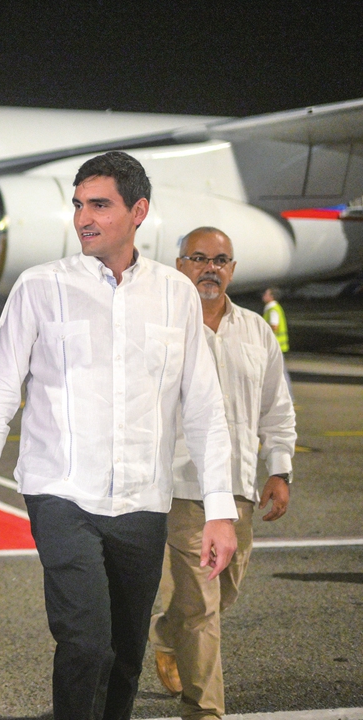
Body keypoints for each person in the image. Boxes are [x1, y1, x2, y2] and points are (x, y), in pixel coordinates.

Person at [0, 152, 239, 720]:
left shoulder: (175, 293)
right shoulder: (40, 287)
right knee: (85, 640)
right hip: (60, 492)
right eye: (78, 205)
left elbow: (205, 409)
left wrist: (219, 509)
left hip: (143, 499)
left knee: (126, 655)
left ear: (138, 211)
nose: (83, 218)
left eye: (99, 205)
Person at [151, 227, 296, 719]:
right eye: (198, 258)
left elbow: (277, 407)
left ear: (232, 270)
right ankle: (205, 711)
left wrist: (279, 469)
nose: (209, 267)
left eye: (220, 260)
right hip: (183, 485)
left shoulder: (256, 330)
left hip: (239, 489)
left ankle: (165, 634)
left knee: (224, 590)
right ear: (179, 265)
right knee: (203, 607)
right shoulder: (159, 327)